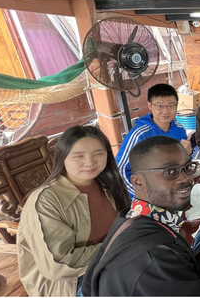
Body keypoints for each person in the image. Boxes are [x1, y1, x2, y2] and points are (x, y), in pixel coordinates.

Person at [82, 136, 200, 296]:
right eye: (170, 171)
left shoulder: (129, 218)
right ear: (138, 181)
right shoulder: (155, 259)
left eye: (188, 167)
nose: (186, 178)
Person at [17, 126, 130, 297]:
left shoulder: (107, 184)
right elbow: (58, 266)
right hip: (69, 283)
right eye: (79, 156)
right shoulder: (45, 201)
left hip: (112, 261)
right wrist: (121, 246)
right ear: (62, 157)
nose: (90, 162)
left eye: (98, 153)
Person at [116, 83, 193, 198]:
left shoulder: (179, 129)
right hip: (149, 196)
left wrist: (188, 153)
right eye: (160, 106)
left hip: (173, 190)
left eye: (171, 105)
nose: (166, 111)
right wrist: (143, 196)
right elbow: (120, 171)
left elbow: (183, 164)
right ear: (150, 106)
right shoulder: (139, 135)